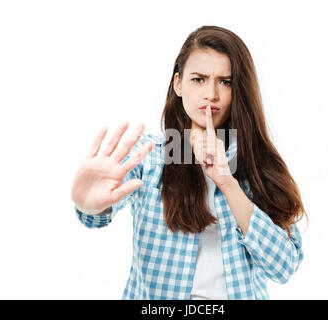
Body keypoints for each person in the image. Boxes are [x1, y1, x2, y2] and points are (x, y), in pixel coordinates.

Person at [70, 25, 307, 300]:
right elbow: (96, 213)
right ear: (178, 84)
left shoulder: (256, 164)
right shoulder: (149, 155)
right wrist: (89, 206)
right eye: (198, 79)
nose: (211, 94)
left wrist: (228, 183)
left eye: (225, 81)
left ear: (238, 89)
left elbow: (284, 268)